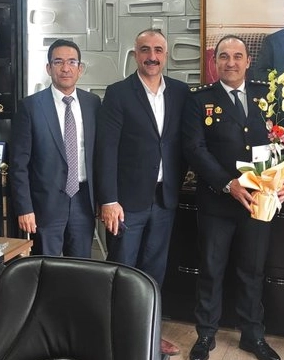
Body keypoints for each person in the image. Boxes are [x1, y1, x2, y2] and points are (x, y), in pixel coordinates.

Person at [182, 35, 284, 360]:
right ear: (214, 62)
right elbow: (194, 148)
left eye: (237, 56)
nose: (230, 62)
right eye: (224, 56)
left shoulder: (267, 95)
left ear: (248, 61)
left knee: (252, 271)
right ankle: (205, 335)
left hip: (260, 201)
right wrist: (227, 183)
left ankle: (252, 336)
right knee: (211, 269)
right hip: (217, 201)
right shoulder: (199, 99)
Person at [95, 28, 188, 357]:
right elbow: (106, 150)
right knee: (122, 272)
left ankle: (149, 338)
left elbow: (183, 143)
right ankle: (117, 343)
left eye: (158, 50)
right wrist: (108, 200)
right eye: (145, 49)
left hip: (164, 200)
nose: (152, 56)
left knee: (154, 274)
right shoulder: (118, 93)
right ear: (135, 54)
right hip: (126, 203)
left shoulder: (180, 92)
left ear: (166, 55)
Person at [10, 39, 100, 257]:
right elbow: (19, 164)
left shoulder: (93, 103)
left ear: (80, 69)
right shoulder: (30, 106)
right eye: (58, 62)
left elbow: (100, 155)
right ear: (49, 68)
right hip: (45, 203)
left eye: (72, 62)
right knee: (47, 266)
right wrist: (25, 208)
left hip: (83, 200)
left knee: (81, 266)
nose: (65, 68)